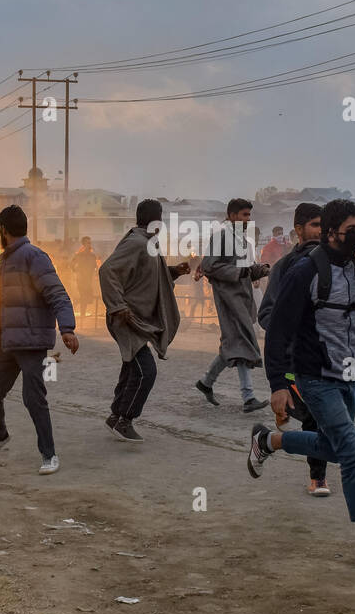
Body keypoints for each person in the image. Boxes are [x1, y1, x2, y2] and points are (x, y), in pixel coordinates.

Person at [249, 199, 355, 570]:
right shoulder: (305, 271)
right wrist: (278, 384)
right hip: (314, 375)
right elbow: (279, 328)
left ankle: (269, 441)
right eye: (352, 229)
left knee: (332, 447)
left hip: (349, 372)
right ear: (332, 232)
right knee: (352, 452)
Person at [0, 205, 78, 475]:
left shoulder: (35, 257)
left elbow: (57, 294)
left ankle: (49, 455)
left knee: (34, 399)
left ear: (3, 230)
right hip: (7, 343)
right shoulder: (3, 262)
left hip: (30, 343)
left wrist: (67, 328)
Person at [98, 199, 189, 441]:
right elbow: (107, 271)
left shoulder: (149, 244)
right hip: (126, 319)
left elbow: (152, 277)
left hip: (137, 319)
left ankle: (115, 417)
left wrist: (174, 272)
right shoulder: (137, 242)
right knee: (145, 371)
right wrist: (117, 306)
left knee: (132, 367)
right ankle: (125, 420)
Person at [257, 202, 331, 496]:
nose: (319, 231)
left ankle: (281, 416)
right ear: (298, 230)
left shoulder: (334, 264)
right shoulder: (285, 267)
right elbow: (266, 314)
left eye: (323, 226)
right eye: (314, 225)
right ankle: (318, 476)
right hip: (293, 360)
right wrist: (291, 328)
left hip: (327, 359)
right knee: (315, 417)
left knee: (321, 416)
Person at [195, 198, 270, 412]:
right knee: (242, 342)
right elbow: (209, 266)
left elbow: (246, 269)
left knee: (232, 345)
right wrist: (238, 273)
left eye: (249, 215)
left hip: (242, 297)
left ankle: (206, 382)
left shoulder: (242, 240)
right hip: (228, 299)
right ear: (232, 215)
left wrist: (260, 269)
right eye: (244, 215)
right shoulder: (220, 237)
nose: (248, 219)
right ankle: (248, 398)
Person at [70, 236, 100, 326]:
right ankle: (81, 317)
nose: (89, 245)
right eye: (88, 243)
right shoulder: (79, 255)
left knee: (87, 299)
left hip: (89, 280)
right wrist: (76, 271)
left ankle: (75, 303)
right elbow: (72, 264)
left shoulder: (92, 256)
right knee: (84, 297)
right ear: (84, 244)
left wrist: (96, 274)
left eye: (90, 243)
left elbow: (95, 267)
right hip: (81, 280)